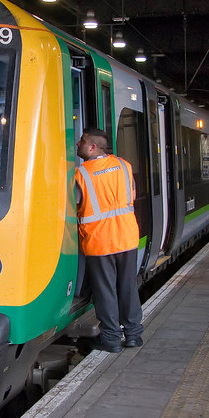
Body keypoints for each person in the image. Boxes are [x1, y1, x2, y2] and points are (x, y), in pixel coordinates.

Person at [74, 128, 144, 353]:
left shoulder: (81, 174)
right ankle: (133, 336)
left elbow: (74, 205)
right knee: (128, 288)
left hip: (100, 241)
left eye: (82, 141)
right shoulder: (124, 166)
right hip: (126, 236)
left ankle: (112, 340)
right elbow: (131, 196)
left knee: (105, 292)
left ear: (92, 147)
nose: (78, 144)